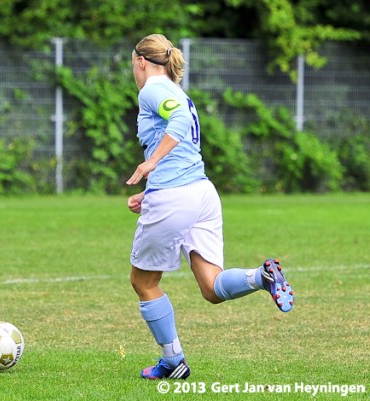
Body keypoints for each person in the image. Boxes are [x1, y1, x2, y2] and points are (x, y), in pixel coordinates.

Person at [125, 34, 294, 380]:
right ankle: (261, 277)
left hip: (175, 197)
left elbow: (178, 125)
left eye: (133, 63)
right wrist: (150, 190)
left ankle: (173, 361)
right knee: (211, 287)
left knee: (144, 282)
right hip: (201, 193)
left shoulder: (152, 89)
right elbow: (182, 141)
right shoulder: (177, 91)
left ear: (141, 61)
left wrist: (150, 165)